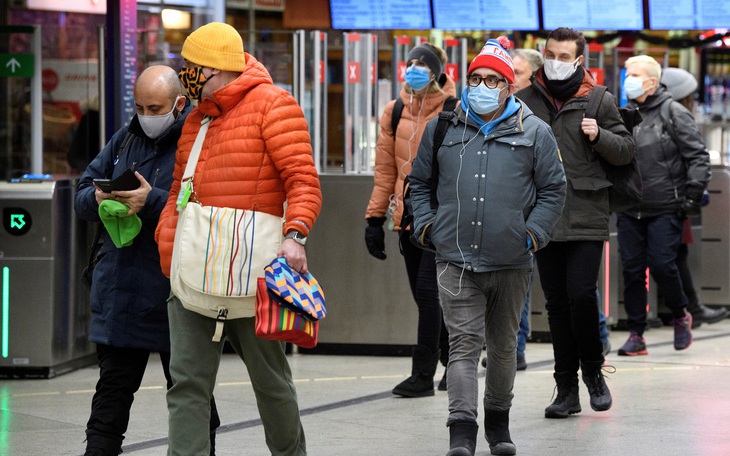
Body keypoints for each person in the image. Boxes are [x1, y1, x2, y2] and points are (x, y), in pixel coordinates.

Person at [155, 22, 321, 456]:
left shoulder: (273, 105)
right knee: (186, 383)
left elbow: (302, 180)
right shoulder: (196, 119)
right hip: (192, 272)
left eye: (192, 66)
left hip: (256, 273)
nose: (185, 74)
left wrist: (295, 234)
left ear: (218, 67)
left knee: (270, 382)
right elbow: (179, 192)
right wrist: (168, 248)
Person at [409, 36, 566, 456]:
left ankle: (498, 424)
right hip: (455, 258)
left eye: (492, 80)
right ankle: (461, 432)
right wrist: (427, 226)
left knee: (501, 348)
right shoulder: (442, 129)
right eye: (476, 78)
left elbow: (553, 189)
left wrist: (533, 233)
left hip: (512, 260)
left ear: (508, 86)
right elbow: (419, 184)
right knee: (462, 345)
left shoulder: (535, 132)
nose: (482, 86)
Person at [74, 65, 220, 456]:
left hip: (177, 292)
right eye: (139, 106)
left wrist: (151, 201)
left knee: (192, 395)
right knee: (110, 399)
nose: (145, 115)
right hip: (122, 291)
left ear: (179, 104)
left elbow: (211, 208)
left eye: (154, 107)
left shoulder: (201, 140)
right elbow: (83, 192)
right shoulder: (125, 139)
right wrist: (101, 198)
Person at [516, 27, 635, 419]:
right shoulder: (525, 100)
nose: (555, 61)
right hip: (543, 216)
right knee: (556, 305)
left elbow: (625, 151)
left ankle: (594, 373)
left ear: (579, 61)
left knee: (581, 295)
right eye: (550, 54)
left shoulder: (597, 99)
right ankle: (566, 387)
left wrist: (599, 134)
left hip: (585, 211)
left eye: (564, 56)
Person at [364, 42, 456, 397]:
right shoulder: (395, 110)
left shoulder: (453, 109)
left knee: (429, 292)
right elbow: (385, 169)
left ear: (436, 72)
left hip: (442, 217)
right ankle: (454, 358)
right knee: (426, 299)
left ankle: (422, 375)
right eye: (410, 62)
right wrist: (374, 218)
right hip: (407, 217)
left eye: (422, 64)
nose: (413, 68)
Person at [617, 56, 711, 356]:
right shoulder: (625, 113)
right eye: (626, 74)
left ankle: (681, 314)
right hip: (630, 207)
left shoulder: (674, 112)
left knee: (662, 265)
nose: (627, 79)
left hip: (665, 206)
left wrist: (692, 195)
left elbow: (697, 156)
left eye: (633, 74)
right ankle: (636, 333)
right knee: (632, 271)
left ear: (652, 82)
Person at [660, 67, 728, 326]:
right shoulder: (677, 117)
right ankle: (687, 309)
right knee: (672, 256)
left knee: (675, 255)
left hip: (671, 195)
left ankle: (688, 308)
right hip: (674, 197)